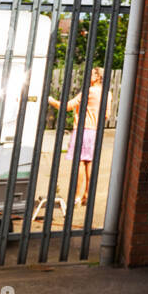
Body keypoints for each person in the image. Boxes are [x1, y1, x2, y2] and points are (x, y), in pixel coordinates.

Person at [49, 67, 104, 207]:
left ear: (97, 77)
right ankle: (88, 195)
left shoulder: (88, 91)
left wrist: (50, 100)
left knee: (79, 163)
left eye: (91, 73)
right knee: (90, 163)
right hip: (96, 132)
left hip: (82, 130)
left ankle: (77, 197)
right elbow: (107, 115)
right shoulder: (107, 94)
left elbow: (67, 106)